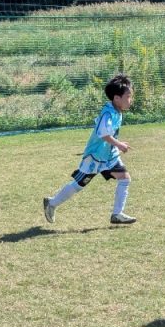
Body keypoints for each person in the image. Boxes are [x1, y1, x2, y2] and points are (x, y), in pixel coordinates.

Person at [43, 74, 137, 225]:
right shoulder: (107, 113)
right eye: (128, 96)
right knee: (79, 185)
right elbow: (103, 133)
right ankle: (51, 203)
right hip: (94, 157)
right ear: (116, 98)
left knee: (124, 178)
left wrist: (116, 144)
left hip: (109, 156)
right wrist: (119, 144)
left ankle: (117, 214)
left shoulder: (116, 111)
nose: (130, 100)